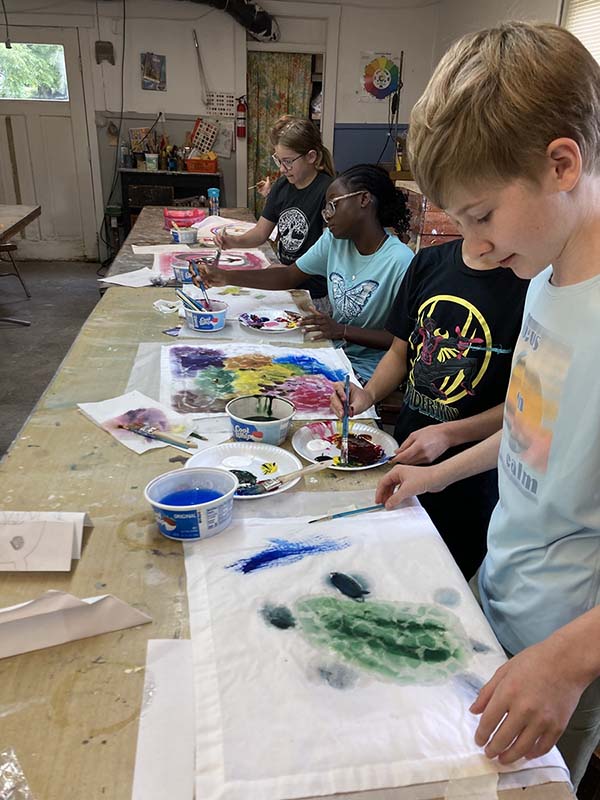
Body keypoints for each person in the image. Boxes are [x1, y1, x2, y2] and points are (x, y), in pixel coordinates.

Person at [374, 21, 600, 789]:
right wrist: (438, 472)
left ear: (561, 164)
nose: (470, 245)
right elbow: (533, 428)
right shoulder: (544, 279)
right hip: (495, 598)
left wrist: (567, 666)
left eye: (480, 215)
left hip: (564, 656)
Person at [330, 236, 529, 579]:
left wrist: (449, 434)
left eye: (484, 215)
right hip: (405, 450)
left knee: (439, 574)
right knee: (386, 567)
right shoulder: (429, 262)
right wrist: (368, 395)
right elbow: (399, 351)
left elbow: (521, 407)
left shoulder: (527, 280)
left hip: (471, 478)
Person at [193, 164, 413, 381]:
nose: (327, 217)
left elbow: (404, 340)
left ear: (363, 199)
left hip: (369, 373)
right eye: (325, 209)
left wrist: (342, 330)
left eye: (333, 206)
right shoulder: (334, 242)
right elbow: (289, 275)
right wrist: (226, 277)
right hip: (334, 353)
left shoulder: (400, 261)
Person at [215, 115, 335, 303]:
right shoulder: (281, 186)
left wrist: (288, 273)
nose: (282, 169)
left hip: (314, 293)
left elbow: (328, 252)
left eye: (288, 161)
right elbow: (260, 233)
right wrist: (233, 241)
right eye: (278, 160)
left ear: (311, 156)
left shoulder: (328, 191)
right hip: (284, 282)